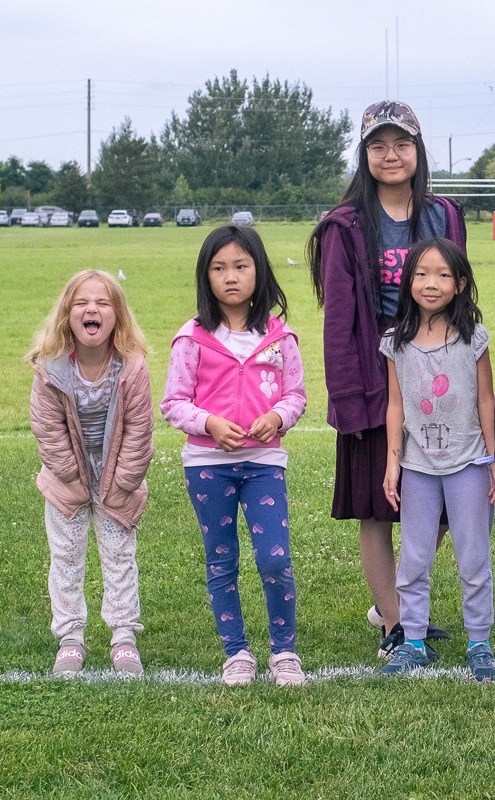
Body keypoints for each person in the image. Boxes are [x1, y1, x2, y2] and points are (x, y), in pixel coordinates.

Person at [307, 100, 466, 659]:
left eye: (401, 144)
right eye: (378, 145)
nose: (390, 154)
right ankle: (396, 623)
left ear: (419, 150)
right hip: (375, 373)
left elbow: (459, 294)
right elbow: (339, 322)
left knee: (447, 496)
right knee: (378, 503)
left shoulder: (444, 214)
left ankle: (394, 602)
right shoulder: (345, 226)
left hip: (438, 371)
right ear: (364, 153)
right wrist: (349, 399)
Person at [162, 225, 308, 687]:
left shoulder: (280, 337)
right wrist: (209, 424)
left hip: (264, 464)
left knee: (274, 559)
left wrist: (278, 418)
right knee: (221, 560)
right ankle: (237, 653)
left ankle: (284, 653)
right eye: (219, 267)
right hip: (207, 467)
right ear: (205, 277)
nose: (230, 277)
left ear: (259, 271)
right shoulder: (192, 338)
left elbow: (297, 396)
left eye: (241, 266)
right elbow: (173, 403)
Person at [378, 238, 495, 682]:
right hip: (417, 467)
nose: (432, 283)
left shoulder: (475, 337)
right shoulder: (396, 342)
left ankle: (480, 643)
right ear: (408, 280)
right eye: (422, 274)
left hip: (469, 462)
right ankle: (412, 641)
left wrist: (494, 459)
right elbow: (395, 405)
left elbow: (486, 400)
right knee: (413, 558)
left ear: (461, 283)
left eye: (444, 275)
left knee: (473, 557)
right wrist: (394, 462)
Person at [27, 269, 153, 676]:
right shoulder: (51, 368)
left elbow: (139, 429)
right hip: (68, 476)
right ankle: (70, 637)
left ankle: (123, 636)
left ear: (117, 314)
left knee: (119, 555)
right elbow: (47, 428)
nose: (91, 309)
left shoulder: (131, 367)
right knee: (65, 555)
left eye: (102, 302)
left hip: (118, 474)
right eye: (81, 303)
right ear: (67, 314)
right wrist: (73, 478)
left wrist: (121, 483)